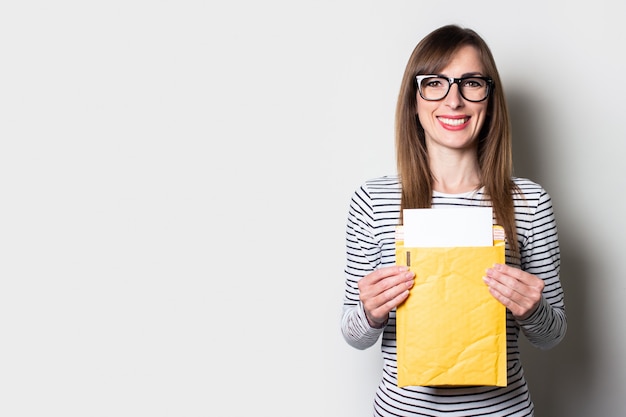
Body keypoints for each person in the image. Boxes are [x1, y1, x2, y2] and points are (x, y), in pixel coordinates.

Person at [340, 24, 567, 416]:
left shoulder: (528, 201)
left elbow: (552, 335)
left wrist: (533, 310)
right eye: (435, 83)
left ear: (490, 98)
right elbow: (353, 334)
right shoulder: (373, 200)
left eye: (471, 83)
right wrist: (370, 312)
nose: (454, 100)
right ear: (414, 99)